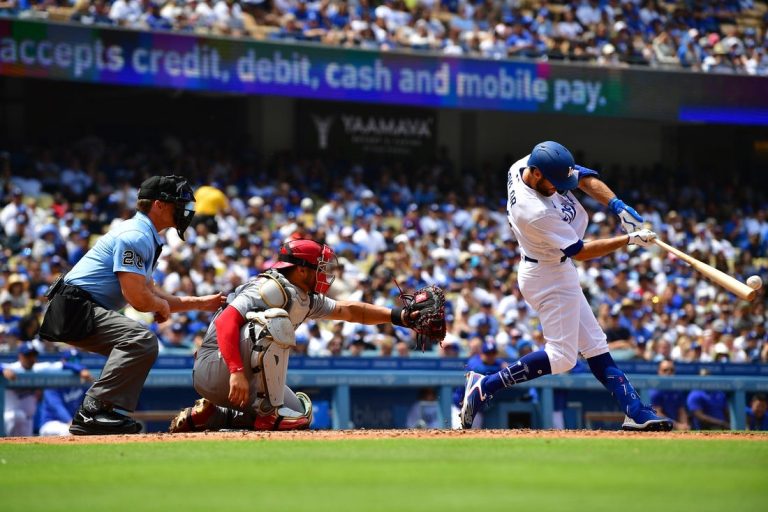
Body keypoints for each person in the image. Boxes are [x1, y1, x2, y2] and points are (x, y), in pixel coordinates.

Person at [460, 140, 673, 431]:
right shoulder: (533, 210)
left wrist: (618, 206)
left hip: (556, 267)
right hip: (547, 273)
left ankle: (635, 411)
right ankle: (486, 385)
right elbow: (580, 251)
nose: (561, 188)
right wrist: (628, 240)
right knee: (562, 359)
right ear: (535, 174)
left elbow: (583, 177)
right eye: (555, 182)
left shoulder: (526, 165)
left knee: (596, 345)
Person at [169, 238, 434, 432]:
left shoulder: (303, 296)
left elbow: (349, 311)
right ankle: (266, 413)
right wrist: (236, 370)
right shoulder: (269, 288)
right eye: (319, 267)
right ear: (301, 269)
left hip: (235, 377)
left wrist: (398, 317)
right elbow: (227, 320)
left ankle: (215, 416)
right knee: (276, 320)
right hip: (217, 368)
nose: (325, 273)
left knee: (298, 416)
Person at [38, 175, 226, 436]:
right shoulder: (136, 235)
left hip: (79, 307)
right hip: (74, 307)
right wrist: (159, 306)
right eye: (178, 204)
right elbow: (138, 299)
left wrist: (200, 303)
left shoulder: (144, 234)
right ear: (159, 205)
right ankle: (93, 410)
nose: (185, 211)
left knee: (139, 344)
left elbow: (150, 292)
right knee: (140, 340)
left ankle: (100, 410)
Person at [1, 342, 90, 437]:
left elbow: (62, 365)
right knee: (18, 417)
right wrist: (2, 369)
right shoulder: (12, 368)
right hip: (11, 417)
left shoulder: (38, 368)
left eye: (33, 355)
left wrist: (81, 369)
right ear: (20, 356)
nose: (31, 358)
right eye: (28, 355)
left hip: (29, 419)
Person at [37, 349, 94, 436]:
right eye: (71, 360)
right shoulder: (54, 379)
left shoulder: (81, 382)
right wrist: (70, 422)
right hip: (50, 423)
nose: (75, 363)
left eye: (77, 360)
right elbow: (56, 406)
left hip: (71, 423)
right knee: (68, 431)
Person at [649, 359, 690, 430]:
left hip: (674, 428)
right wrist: (677, 426)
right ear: (659, 372)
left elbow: (681, 411)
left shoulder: (677, 390)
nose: (669, 373)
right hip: (658, 429)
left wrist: (684, 425)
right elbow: (657, 414)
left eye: (672, 370)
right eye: (665, 370)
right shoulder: (655, 390)